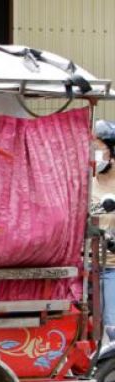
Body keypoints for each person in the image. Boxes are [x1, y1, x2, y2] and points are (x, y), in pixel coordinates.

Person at [93, 120, 115, 341]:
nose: (95, 155)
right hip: (86, 266)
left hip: (112, 268)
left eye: (99, 149)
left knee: (111, 326)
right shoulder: (88, 183)